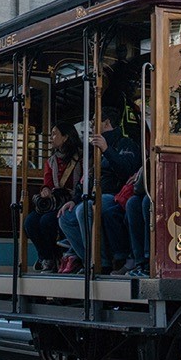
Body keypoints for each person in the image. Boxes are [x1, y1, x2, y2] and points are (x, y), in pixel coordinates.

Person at [57, 109, 139, 274]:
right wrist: (75, 198)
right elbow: (87, 177)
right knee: (65, 217)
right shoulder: (93, 148)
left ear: (107, 122)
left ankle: (101, 263)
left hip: (115, 194)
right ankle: (88, 259)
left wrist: (107, 150)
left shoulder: (125, 144)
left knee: (85, 209)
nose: (92, 125)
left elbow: (126, 171)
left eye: (95, 121)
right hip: (93, 196)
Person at [23, 124, 82, 272]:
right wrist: (45, 191)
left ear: (66, 137)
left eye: (54, 134)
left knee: (47, 221)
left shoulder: (81, 158)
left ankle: (58, 255)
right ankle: (46, 257)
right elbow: (47, 183)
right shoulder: (51, 161)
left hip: (74, 199)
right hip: (55, 201)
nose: (51, 138)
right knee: (30, 222)